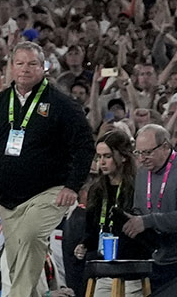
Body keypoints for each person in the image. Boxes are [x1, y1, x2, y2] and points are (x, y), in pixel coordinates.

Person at [0, 41, 94, 297]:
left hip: (50, 192)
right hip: (9, 197)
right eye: (19, 63)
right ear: (10, 68)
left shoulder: (62, 104)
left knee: (30, 236)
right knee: (19, 256)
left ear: (44, 68)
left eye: (32, 63)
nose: (25, 69)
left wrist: (72, 185)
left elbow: (85, 146)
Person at [75, 130, 147, 297]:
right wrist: (84, 245)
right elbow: (91, 229)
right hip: (104, 269)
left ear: (122, 156)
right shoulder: (96, 189)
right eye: (99, 157)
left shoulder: (138, 187)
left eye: (107, 156)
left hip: (132, 271)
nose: (102, 162)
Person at [123, 125, 177, 295]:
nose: (142, 158)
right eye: (138, 153)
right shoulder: (141, 174)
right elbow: (140, 211)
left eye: (148, 152)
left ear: (166, 147)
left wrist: (148, 221)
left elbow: (148, 219)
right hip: (156, 259)